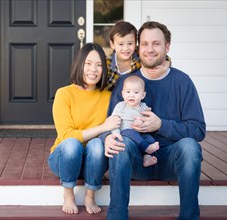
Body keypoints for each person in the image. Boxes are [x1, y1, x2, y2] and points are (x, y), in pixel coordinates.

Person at [102, 21, 206, 220]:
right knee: (119, 144)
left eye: (156, 44)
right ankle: (117, 216)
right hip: (136, 161)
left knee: (191, 147)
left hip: (170, 160)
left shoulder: (182, 82)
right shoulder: (126, 83)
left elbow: (198, 129)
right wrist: (107, 137)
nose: (150, 49)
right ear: (139, 47)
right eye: (145, 44)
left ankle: (189, 216)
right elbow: (111, 122)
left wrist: (161, 125)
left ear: (167, 47)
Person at [48, 43, 121, 215]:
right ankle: (68, 195)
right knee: (72, 143)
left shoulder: (109, 97)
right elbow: (66, 135)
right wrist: (103, 127)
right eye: (88, 64)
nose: (93, 69)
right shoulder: (64, 93)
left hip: (93, 162)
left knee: (97, 144)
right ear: (79, 65)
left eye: (98, 65)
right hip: (64, 159)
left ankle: (90, 195)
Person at [105, 20, 171, 91]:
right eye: (121, 44)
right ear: (112, 45)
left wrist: (165, 66)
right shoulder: (107, 62)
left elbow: (162, 57)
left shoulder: (139, 55)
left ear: (136, 43)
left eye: (130, 43)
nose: (126, 48)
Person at [110, 75, 159, 167]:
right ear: (123, 94)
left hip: (141, 133)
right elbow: (114, 121)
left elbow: (148, 121)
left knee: (150, 139)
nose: (131, 95)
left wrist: (142, 121)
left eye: (136, 92)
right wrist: (116, 133)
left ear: (143, 95)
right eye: (128, 92)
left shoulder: (143, 107)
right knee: (131, 132)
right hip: (125, 133)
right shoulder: (120, 106)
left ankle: (147, 157)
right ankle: (147, 148)